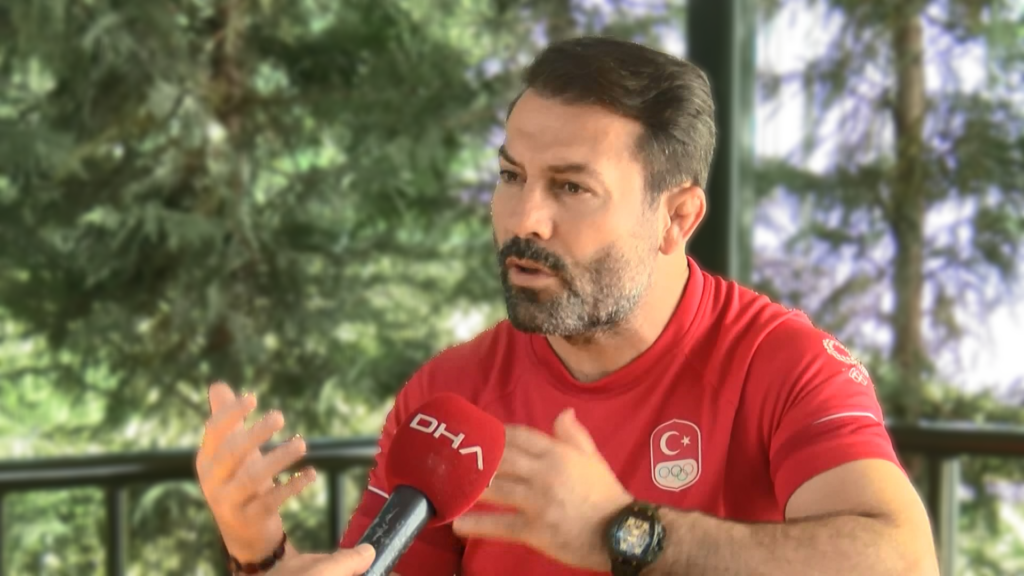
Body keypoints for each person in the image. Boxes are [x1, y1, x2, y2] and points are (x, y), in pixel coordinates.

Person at [197, 36, 939, 575]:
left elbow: (902, 560)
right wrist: (262, 557)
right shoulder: (449, 395)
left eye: (571, 187)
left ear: (677, 217)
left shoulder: (783, 365)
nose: (525, 219)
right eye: (511, 176)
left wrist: (623, 532)